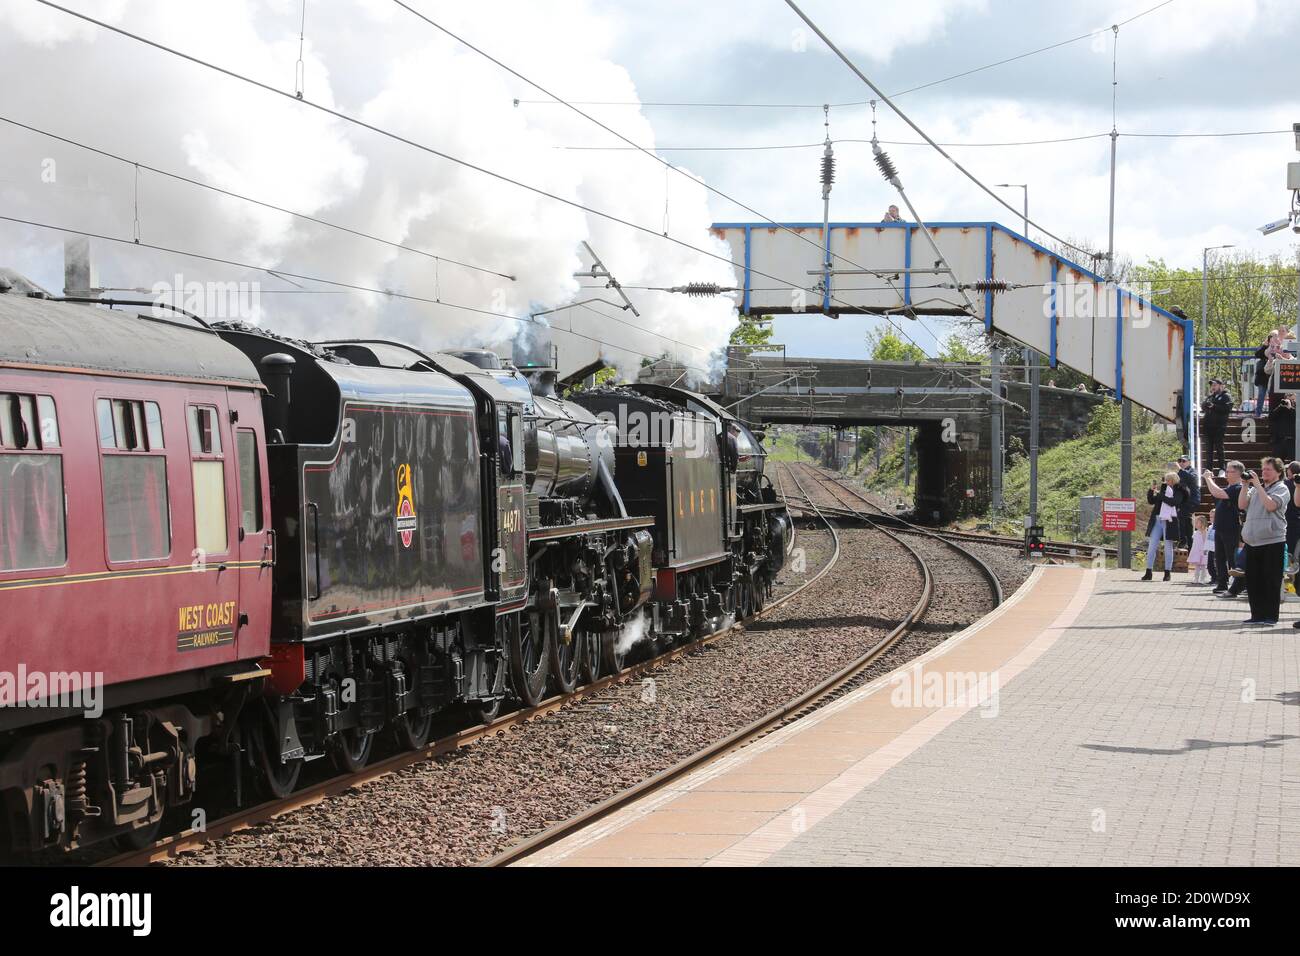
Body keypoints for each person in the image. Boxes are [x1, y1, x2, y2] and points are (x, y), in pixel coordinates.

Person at [1237, 457, 1289, 626]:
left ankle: (1270, 616)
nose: (1264, 472)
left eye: (1269, 469)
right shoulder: (1255, 489)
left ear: (1279, 472)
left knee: (1270, 579)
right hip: (1253, 540)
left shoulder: (1281, 488)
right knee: (1253, 580)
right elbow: (1241, 504)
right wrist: (1245, 486)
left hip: (1273, 540)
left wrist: (1258, 486)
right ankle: (1257, 614)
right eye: (1263, 469)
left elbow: (1271, 506)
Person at [1204, 462, 1244, 594]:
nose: (1227, 474)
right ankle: (1222, 583)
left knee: (1232, 558)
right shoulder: (1229, 487)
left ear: (1238, 473)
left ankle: (1238, 584)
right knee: (1219, 557)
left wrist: (1208, 478)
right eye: (1226, 471)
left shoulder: (1238, 487)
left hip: (1231, 528)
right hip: (1220, 527)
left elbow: (1217, 493)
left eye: (1229, 471)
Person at [1142, 471, 1188, 581]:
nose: (1166, 482)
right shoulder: (1163, 489)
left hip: (1169, 521)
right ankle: (1148, 571)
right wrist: (1151, 491)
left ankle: (1167, 572)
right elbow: (1151, 501)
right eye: (1166, 480)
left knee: (1168, 546)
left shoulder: (1179, 490)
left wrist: (1160, 495)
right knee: (1152, 545)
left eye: (1168, 480)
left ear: (1173, 480)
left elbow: (1173, 502)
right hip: (1157, 519)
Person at [1200, 378, 1232, 471]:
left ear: (1221, 386)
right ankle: (1209, 469)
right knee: (1208, 450)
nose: (1213, 387)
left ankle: (1222, 468)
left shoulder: (1226, 396)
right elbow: (1203, 407)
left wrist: (1214, 406)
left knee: (1219, 448)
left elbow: (1227, 409)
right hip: (1208, 427)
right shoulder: (1210, 397)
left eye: (1215, 385)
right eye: (1212, 385)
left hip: (1219, 426)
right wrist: (1206, 405)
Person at [1176, 455, 1199, 548]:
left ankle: (1186, 541)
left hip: (1191, 500)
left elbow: (1191, 478)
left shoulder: (1193, 471)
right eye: (1179, 461)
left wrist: (1180, 470)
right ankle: (1187, 542)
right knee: (1183, 520)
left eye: (1183, 461)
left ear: (1189, 462)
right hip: (1183, 501)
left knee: (1185, 520)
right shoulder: (1180, 473)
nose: (1181, 463)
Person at [1271, 393, 1296, 459]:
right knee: (1277, 464)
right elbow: (1272, 417)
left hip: (1292, 441)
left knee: (1295, 463)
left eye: (1293, 400)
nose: (1291, 401)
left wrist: (1290, 408)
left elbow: (1297, 417)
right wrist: (1280, 406)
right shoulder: (1280, 409)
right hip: (1280, 440)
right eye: (1289, 400)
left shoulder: (1296, 408)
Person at [1188, 514, 1210, 584]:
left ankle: (1203, 579)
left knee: (1203, 566)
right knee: (1197, 566)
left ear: (1202, 523)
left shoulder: (1204, 532)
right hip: (1197, 551)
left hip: (1202, 551)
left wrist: (1205, 550)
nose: (1196, 524)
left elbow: (1205, 541)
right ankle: (1196, 578)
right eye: (1195, 523)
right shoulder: (1196, 532)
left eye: (1197, 522)